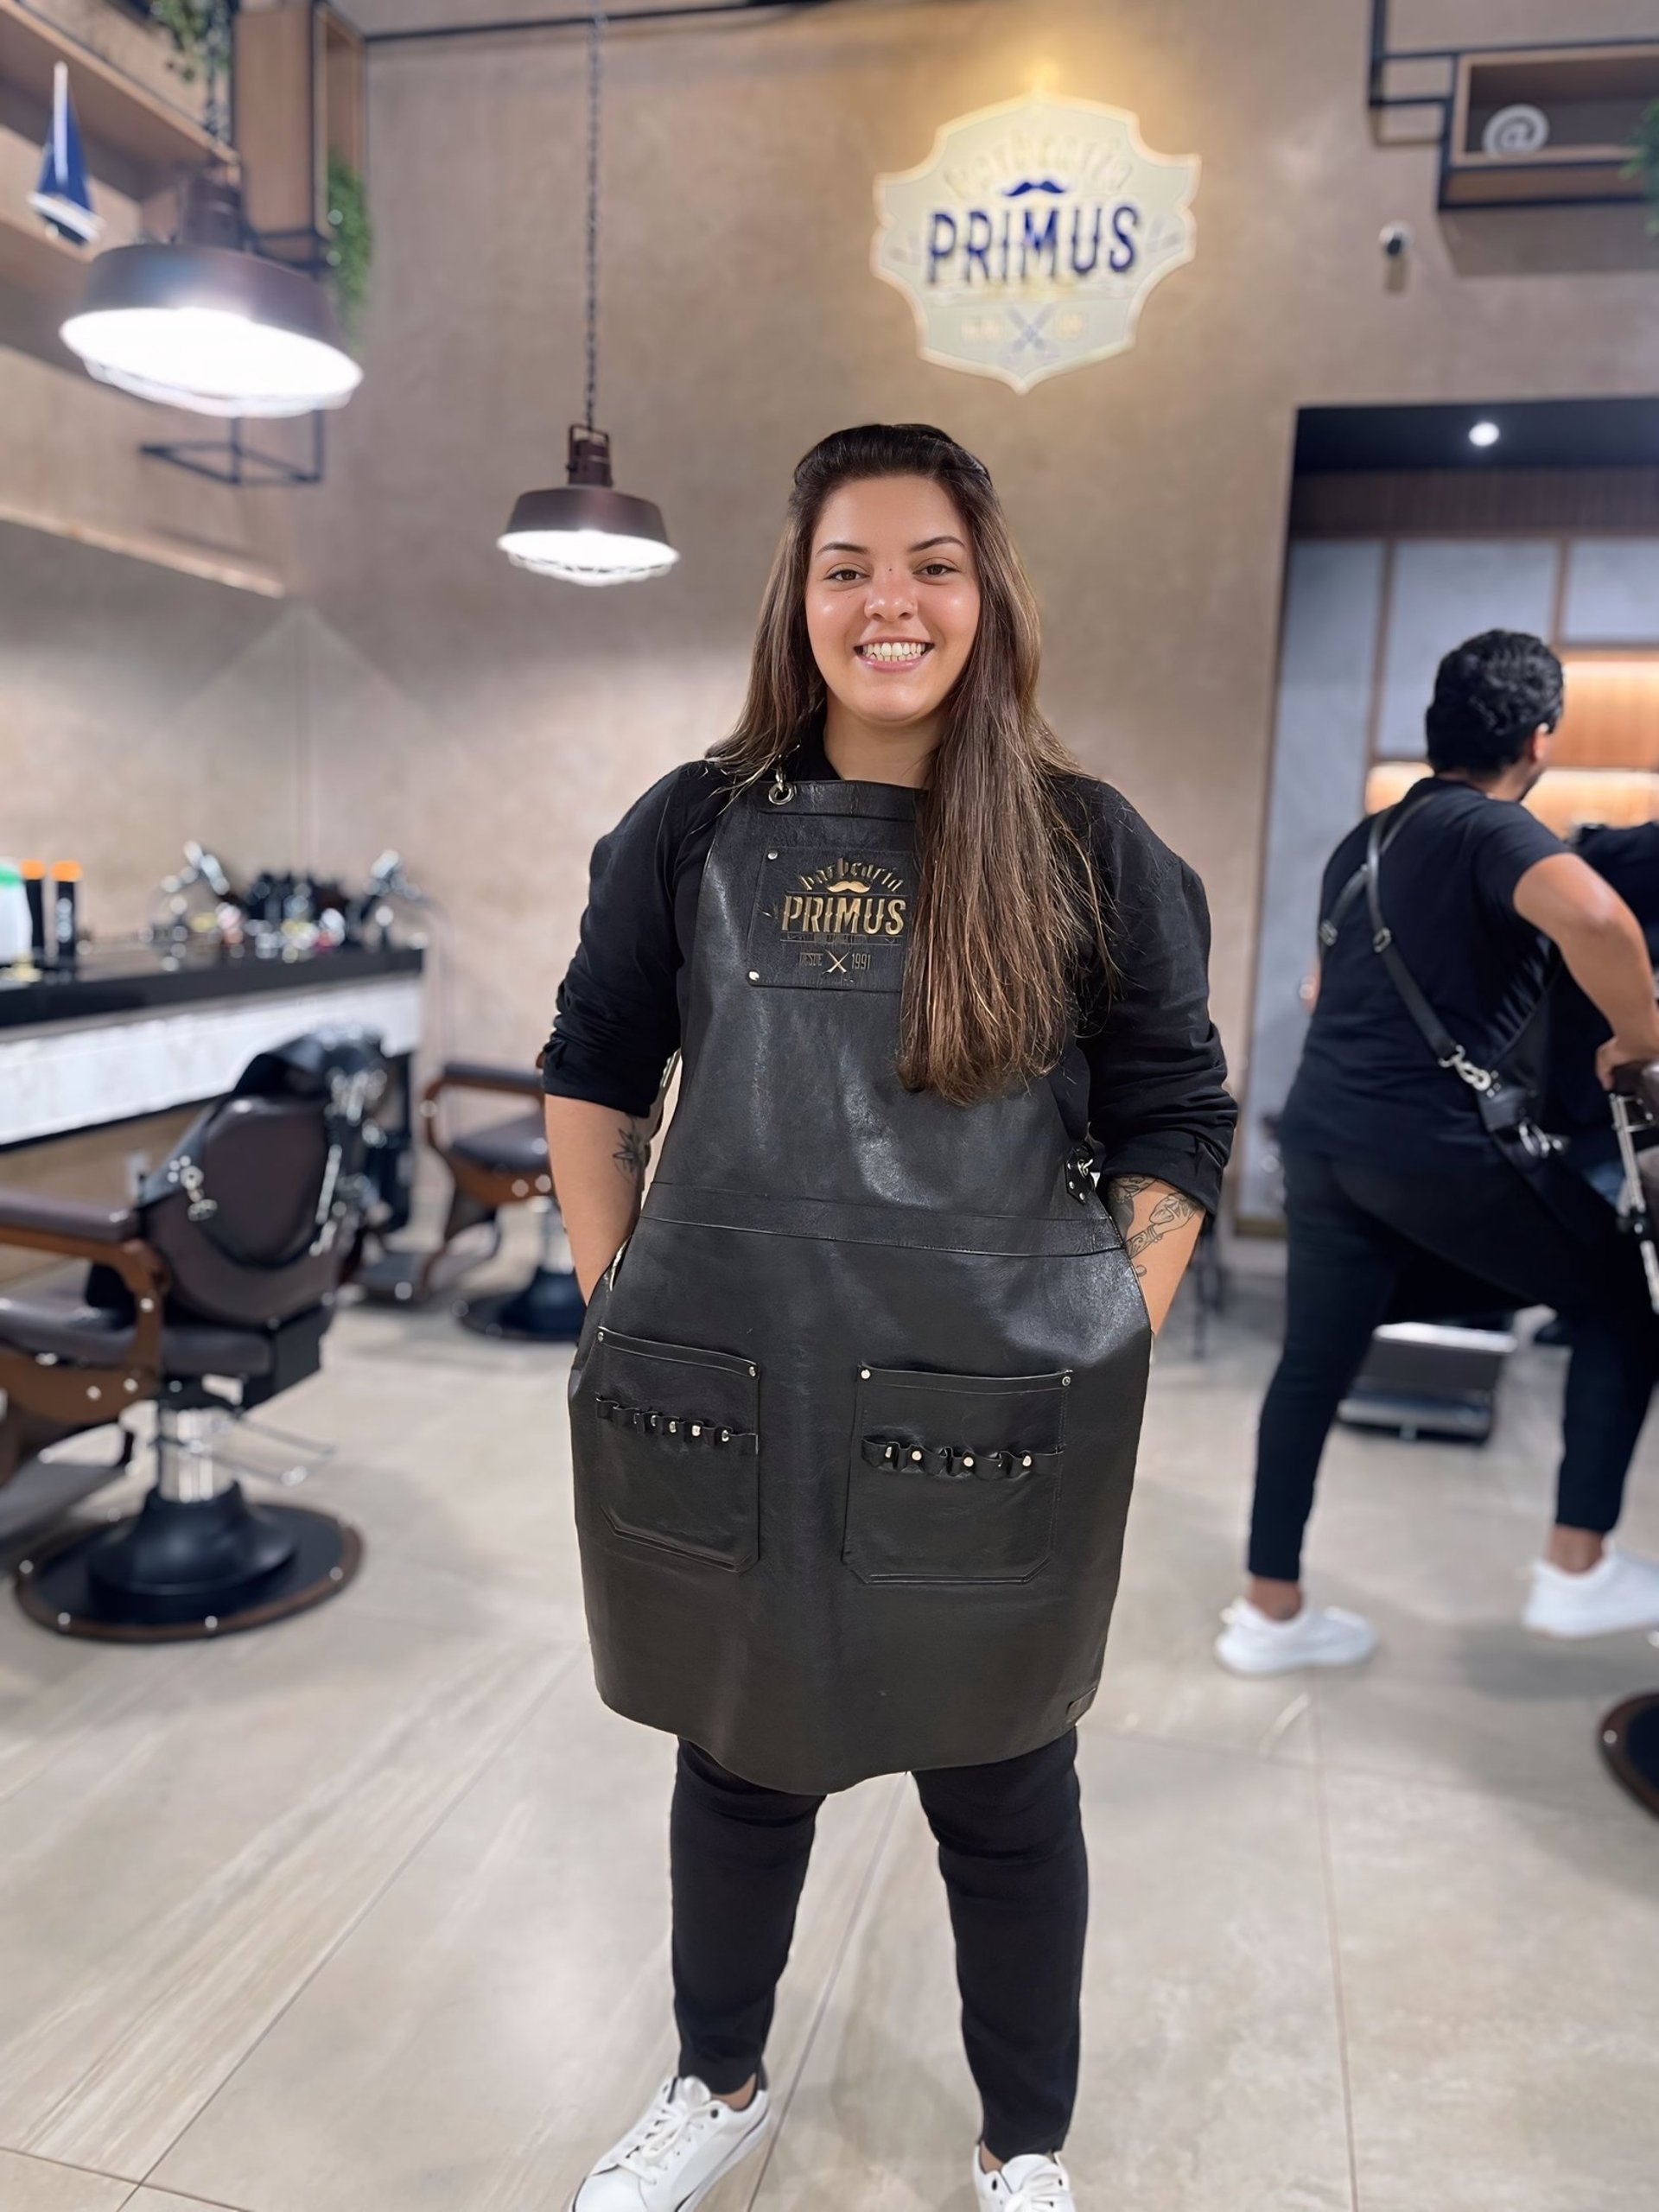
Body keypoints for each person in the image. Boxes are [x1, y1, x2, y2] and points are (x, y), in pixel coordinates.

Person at [542, 423, 1235, 2212]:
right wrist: (620, 1296)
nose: (889, 604)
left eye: (931, 563)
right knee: (738, 1758)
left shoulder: (1086, 843)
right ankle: (714, 2081)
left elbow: (1176, 1106)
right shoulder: (691, 826)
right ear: (799, 595)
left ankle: (1023, 2142)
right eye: (847, 567)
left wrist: (1116, 1318)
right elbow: (595, 1063)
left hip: (989, 1412)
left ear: (988, 591)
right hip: (736, 1387)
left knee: (1005, 1792)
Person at [1217, 630, 1659, 1679]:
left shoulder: (1365, 841)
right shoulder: (1491, 827)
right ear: (1540, 737)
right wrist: (1638, 1039)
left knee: (1312, 1366)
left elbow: (1323, 990)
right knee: (1623, 1301)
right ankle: (1577, 1566)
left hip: (1322, 1142)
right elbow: (1597, 914)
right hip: (1434, 1151)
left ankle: (1268, 1613)